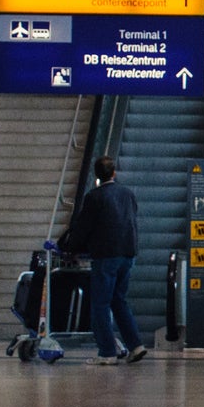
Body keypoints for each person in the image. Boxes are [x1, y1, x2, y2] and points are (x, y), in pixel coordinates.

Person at [59, 154, 147, 365]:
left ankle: (107, 352)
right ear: (114, 173)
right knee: (119, 300)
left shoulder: (94, 197)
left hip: (106, 255)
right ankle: (136, 345)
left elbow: (83, 228)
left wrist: (70, 248)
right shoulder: (127, 194)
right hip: (127, 253)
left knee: (100, 303)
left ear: (96, 175)